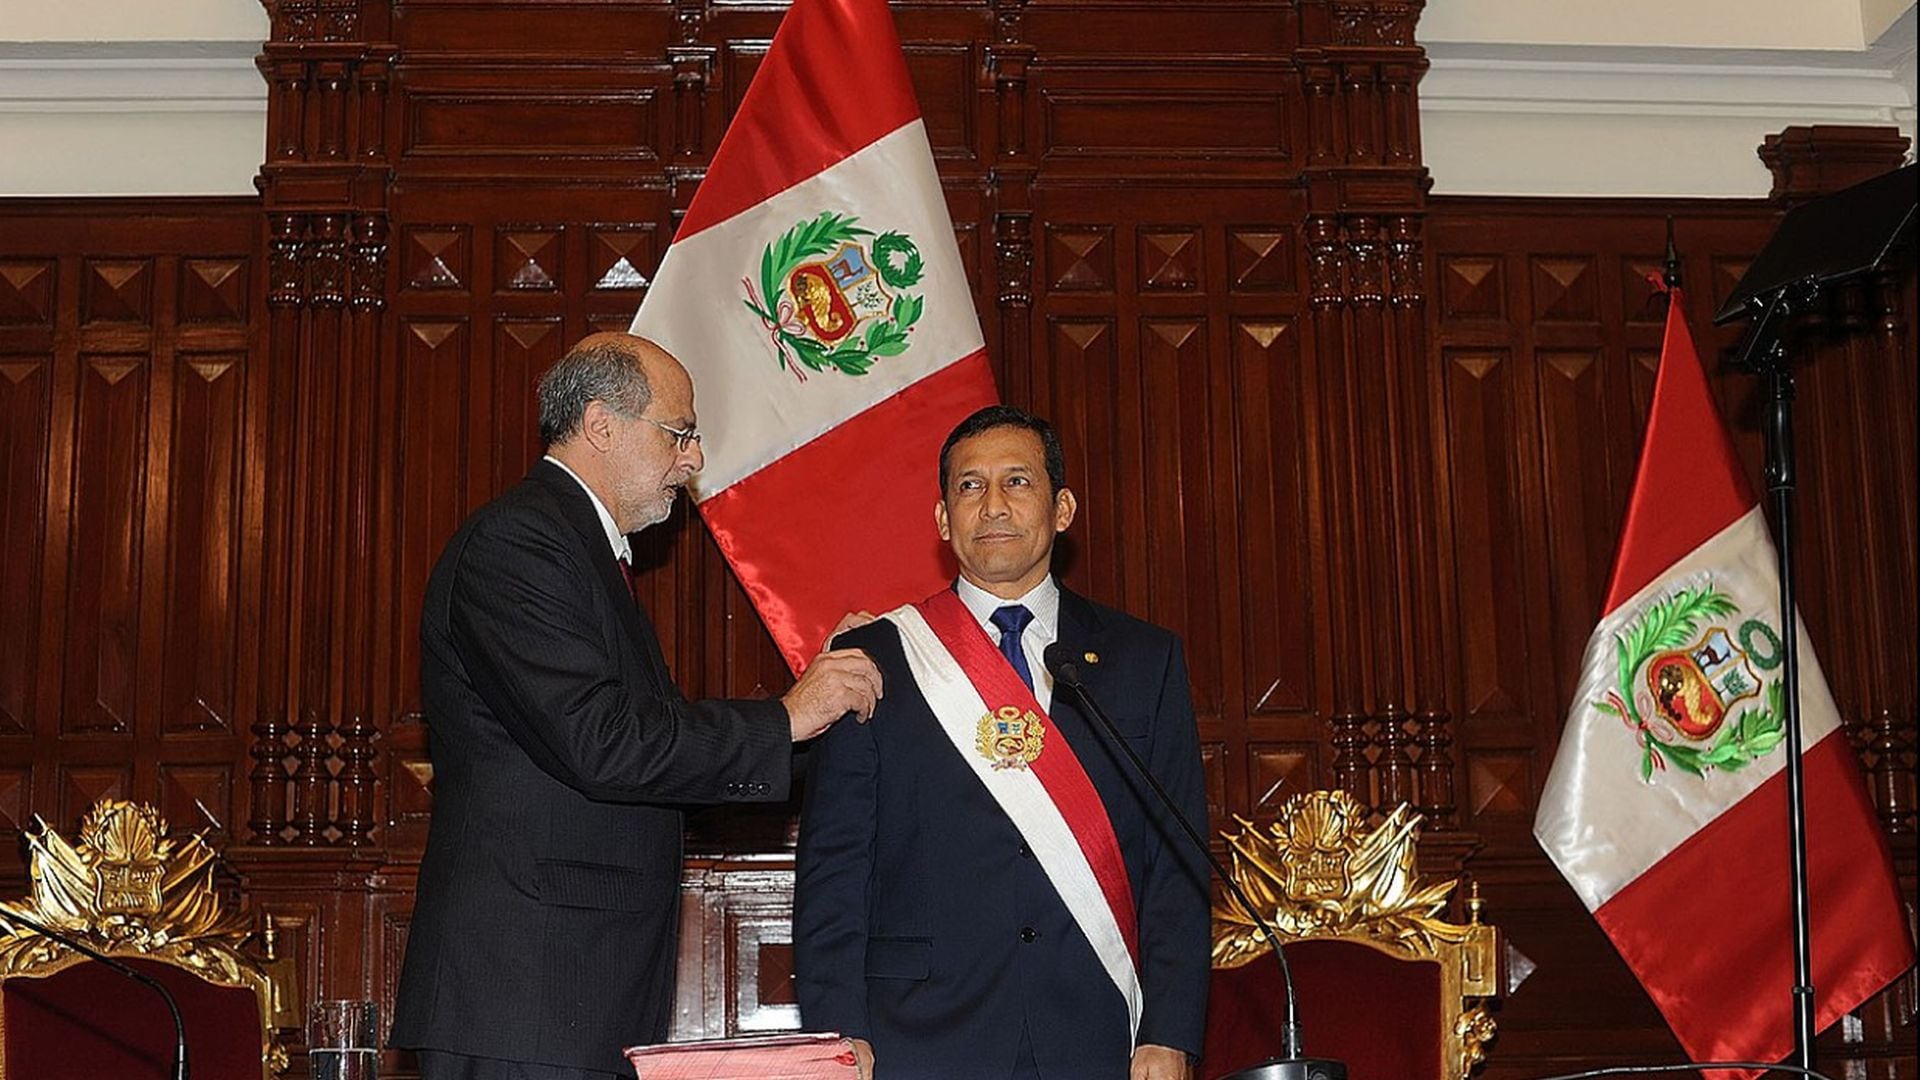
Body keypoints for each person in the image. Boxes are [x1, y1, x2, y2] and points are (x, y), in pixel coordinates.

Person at [391, 332, 883, 1080]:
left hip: (569, 992)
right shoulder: (519, 544)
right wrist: (786, 718)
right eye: (681, 433)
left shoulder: (576, 550)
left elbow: (656, 760)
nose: (694, 461)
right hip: (526, 996)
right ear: (601, 424)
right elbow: (602, 740)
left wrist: (822, 714)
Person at [795, 406, 1210, 1080]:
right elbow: (834, 870)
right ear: (941, 518)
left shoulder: (1143, 660)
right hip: (916, 1034)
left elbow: (1176, 865)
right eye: (969, 486)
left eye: (1017, 482)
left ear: (1063, 508)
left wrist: (1169, 1030)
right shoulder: (873, 658)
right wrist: (837, 1033)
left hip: (1098, 1028)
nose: (992, 505)